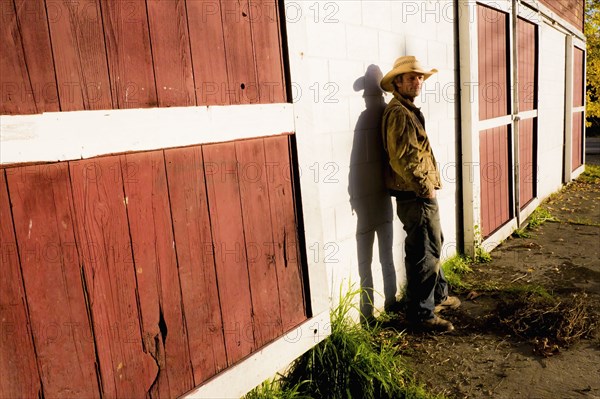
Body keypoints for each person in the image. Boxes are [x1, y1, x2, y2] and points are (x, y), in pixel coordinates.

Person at [379, 56, 460, 332]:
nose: (418, 81)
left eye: (420, 77)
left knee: (433, 243)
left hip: (418, 193)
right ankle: (420, 315)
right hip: (416, 195)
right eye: (411, 77)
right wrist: (426, 190)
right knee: (424, 251)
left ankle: (438, 296)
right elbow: (403, 158)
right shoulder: (399, 113)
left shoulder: (407, 109)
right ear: (397, 83)